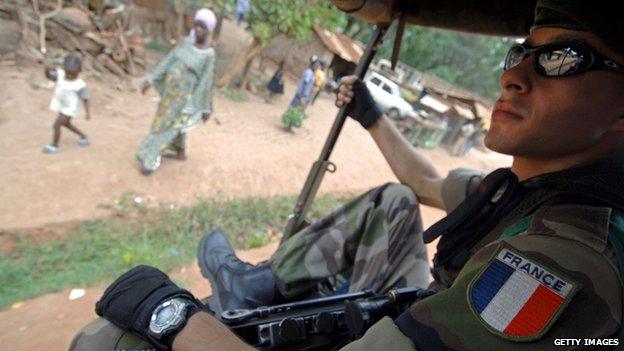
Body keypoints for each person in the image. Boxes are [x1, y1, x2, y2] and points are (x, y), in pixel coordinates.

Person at [71, 1, 624, 350]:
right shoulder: (528, 191)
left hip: (436, 314)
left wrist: (171, 316)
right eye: (519, 54)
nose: (515, 77)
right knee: (394, 200)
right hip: (427, 301)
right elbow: (426, 183)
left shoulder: (562, 260)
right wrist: (371, 115)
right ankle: (255, 284)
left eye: (562, 60)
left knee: (108, 339)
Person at [136, 8, 217, 175]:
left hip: (185, 98)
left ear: (209, 30)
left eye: (203, 27)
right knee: (165, 121)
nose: (198, 30)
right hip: (170, 93)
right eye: (196, 25)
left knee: (168, 125)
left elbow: (206, 82)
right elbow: (169, 61)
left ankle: (150, 157)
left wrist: (205, 107)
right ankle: (180, 152)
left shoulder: (208, 55)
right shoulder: (185, 43)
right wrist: (151, 79)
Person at [42, 55, 91, 154]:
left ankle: (54, 146)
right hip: (61, 105)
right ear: (63, 69)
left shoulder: (80, 84)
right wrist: (47, 69)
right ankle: (84, 136)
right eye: (68, 73)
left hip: (70, 108)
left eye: (73, 74)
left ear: (79, 71)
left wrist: (87, 112)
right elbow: (49, 76)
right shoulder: (59, 75)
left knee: (57, 125)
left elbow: (85, 99)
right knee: (66, 124)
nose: (70, 76)